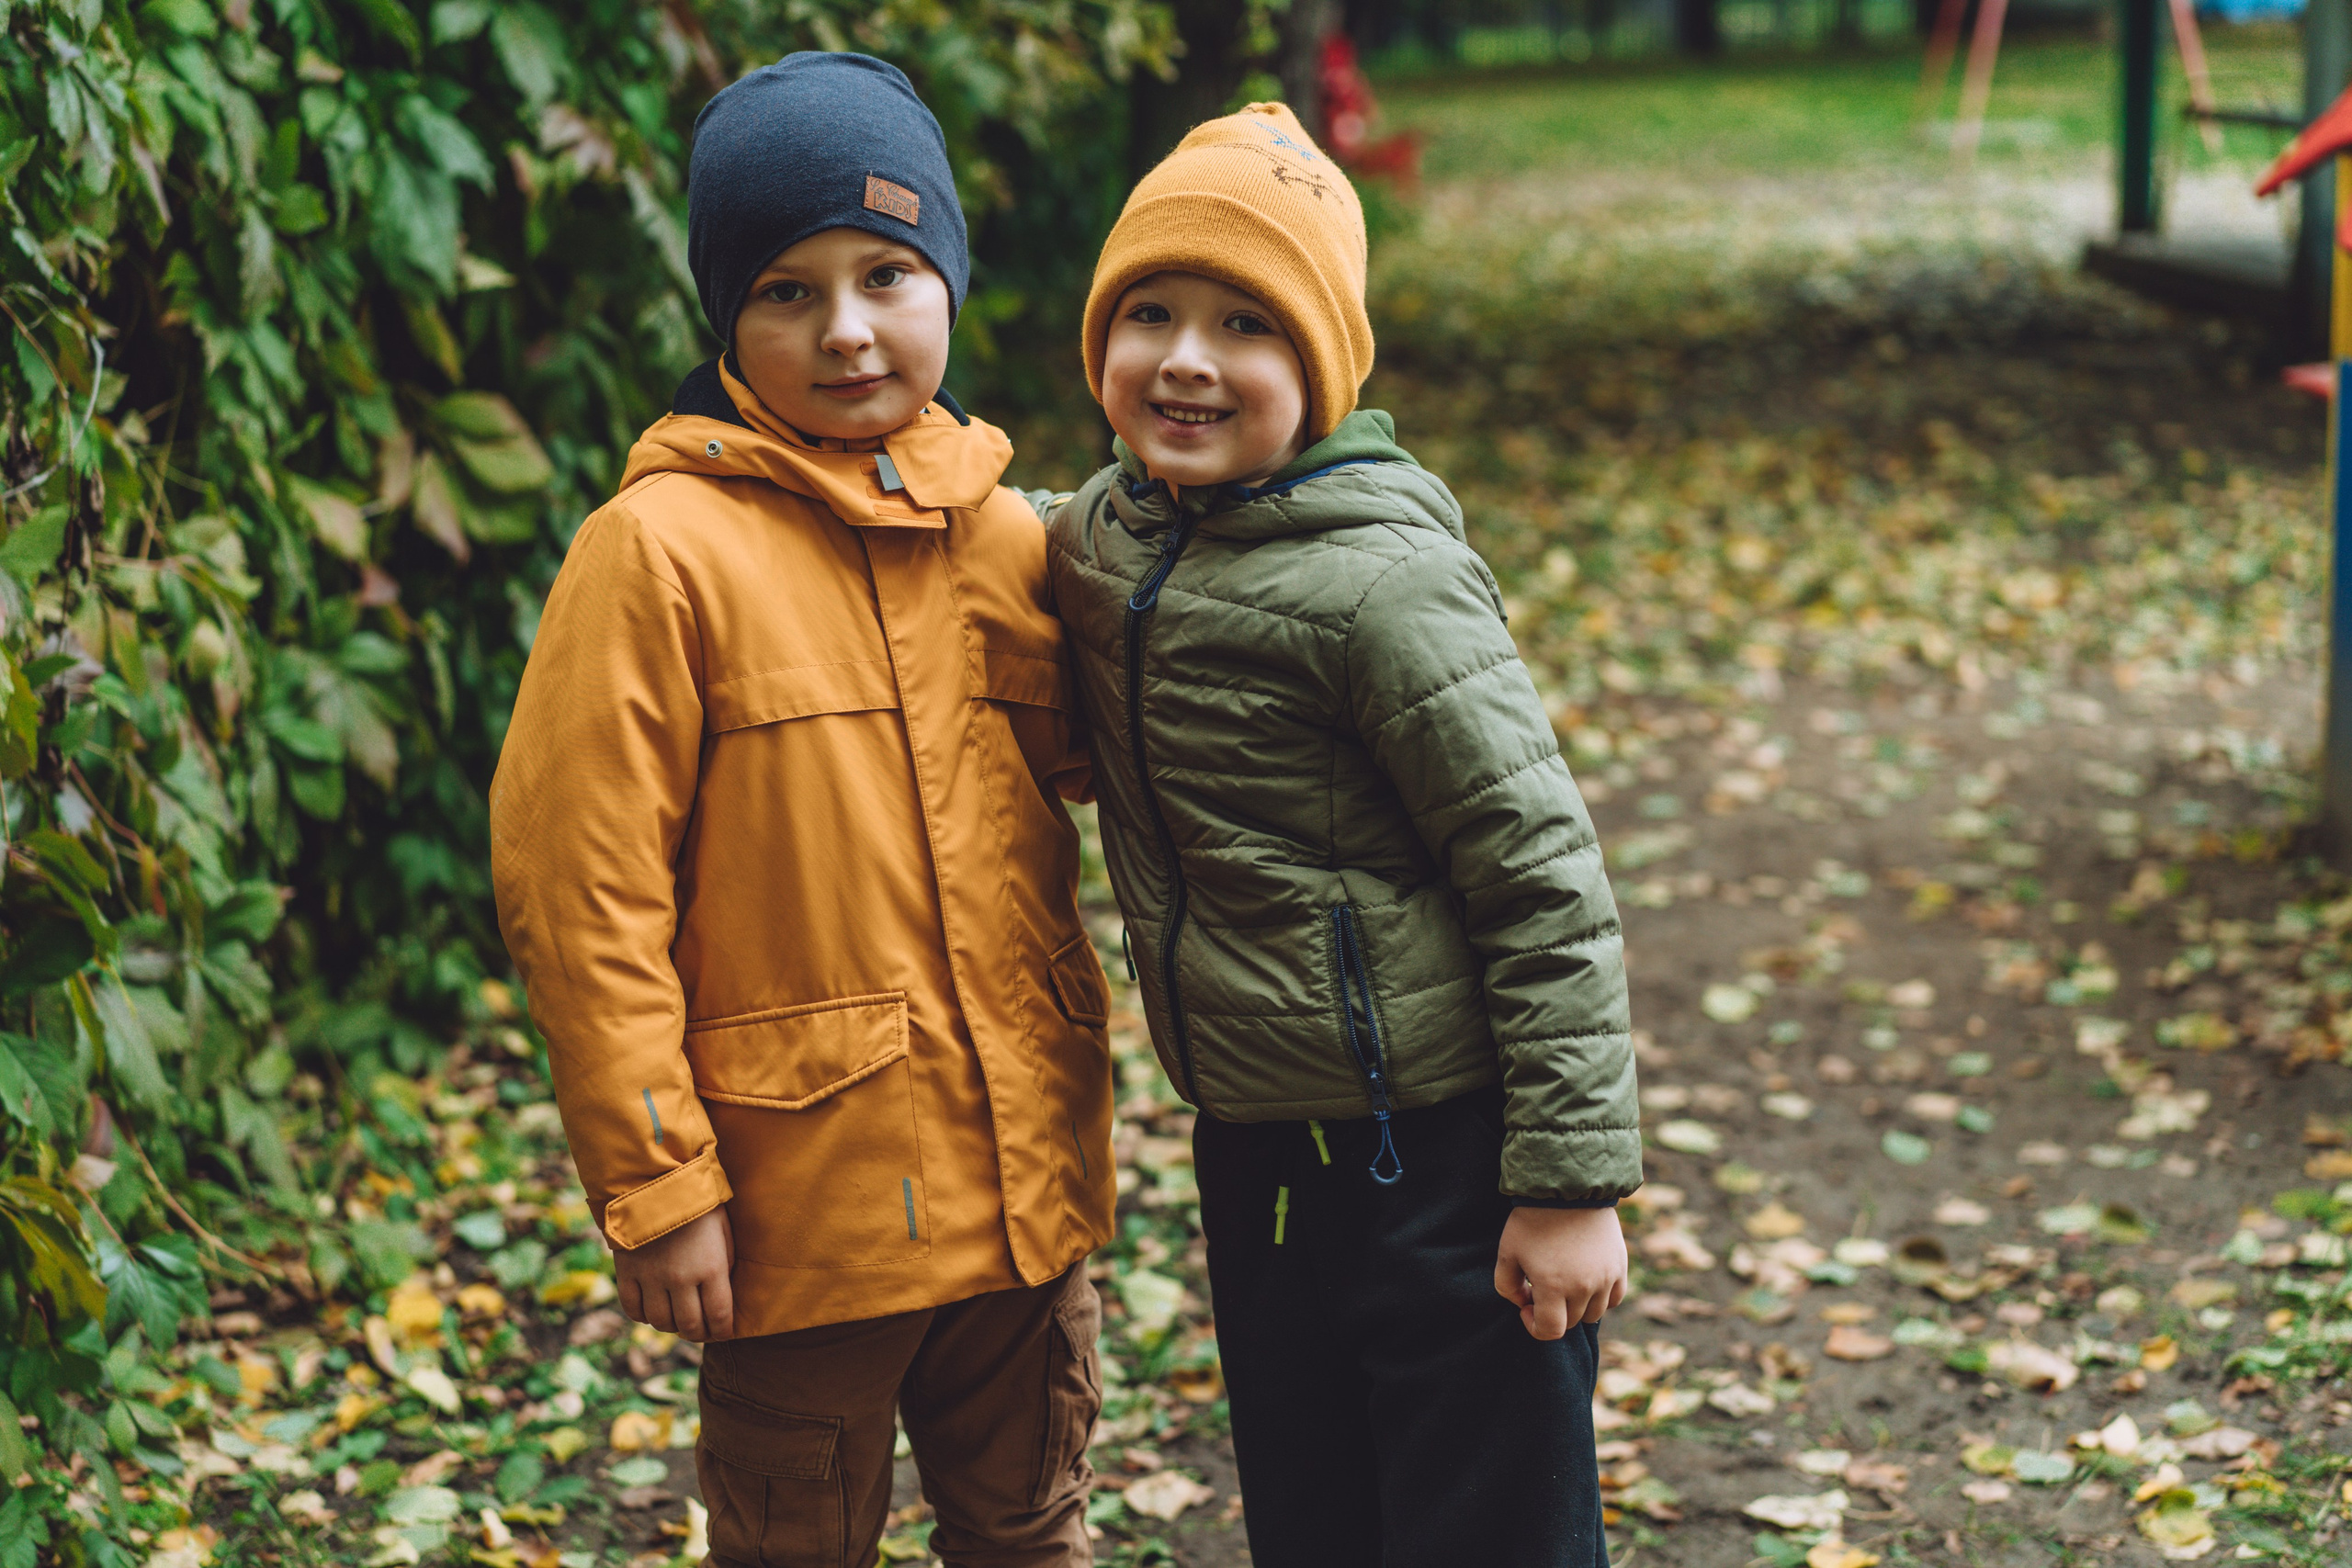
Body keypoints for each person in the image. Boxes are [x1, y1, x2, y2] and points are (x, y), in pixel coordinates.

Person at [490, 52, 1116, 1568]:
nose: (845, 328)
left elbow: (1146, 780)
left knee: (1032, 1530)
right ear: (726, 319)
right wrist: (658, 1184)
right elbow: (581, 894)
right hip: (802, 1216)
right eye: (786, 290)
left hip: (1022, 1194)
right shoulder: (658, 554)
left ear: (947, 281)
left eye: (887, 273)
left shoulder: (1012, 537)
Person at [1045, 103, 1641, 1567]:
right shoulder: (1101, 541)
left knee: (1487, 1531)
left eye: (1246, 324)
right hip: (1257, 1155)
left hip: (1439, 1156)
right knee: (1314, 1518)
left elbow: (1543, 881)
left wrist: (1567, 1187)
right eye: (1150, 314)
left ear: (1321, 368)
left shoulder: (1387, 587)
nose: (1187, 359)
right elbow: (959, 522)